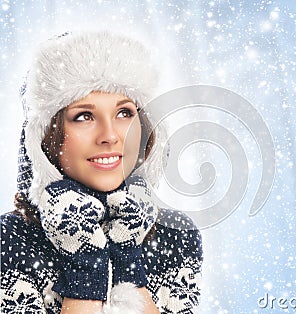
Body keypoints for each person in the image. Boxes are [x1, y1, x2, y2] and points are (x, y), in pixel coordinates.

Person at [1, 31, 203, 313]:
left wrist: (127, 256)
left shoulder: (177, 235)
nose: (110, 136)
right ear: (45, 137)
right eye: (84, 116)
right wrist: (85, 263)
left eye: (124, 113)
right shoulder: (10, 239)